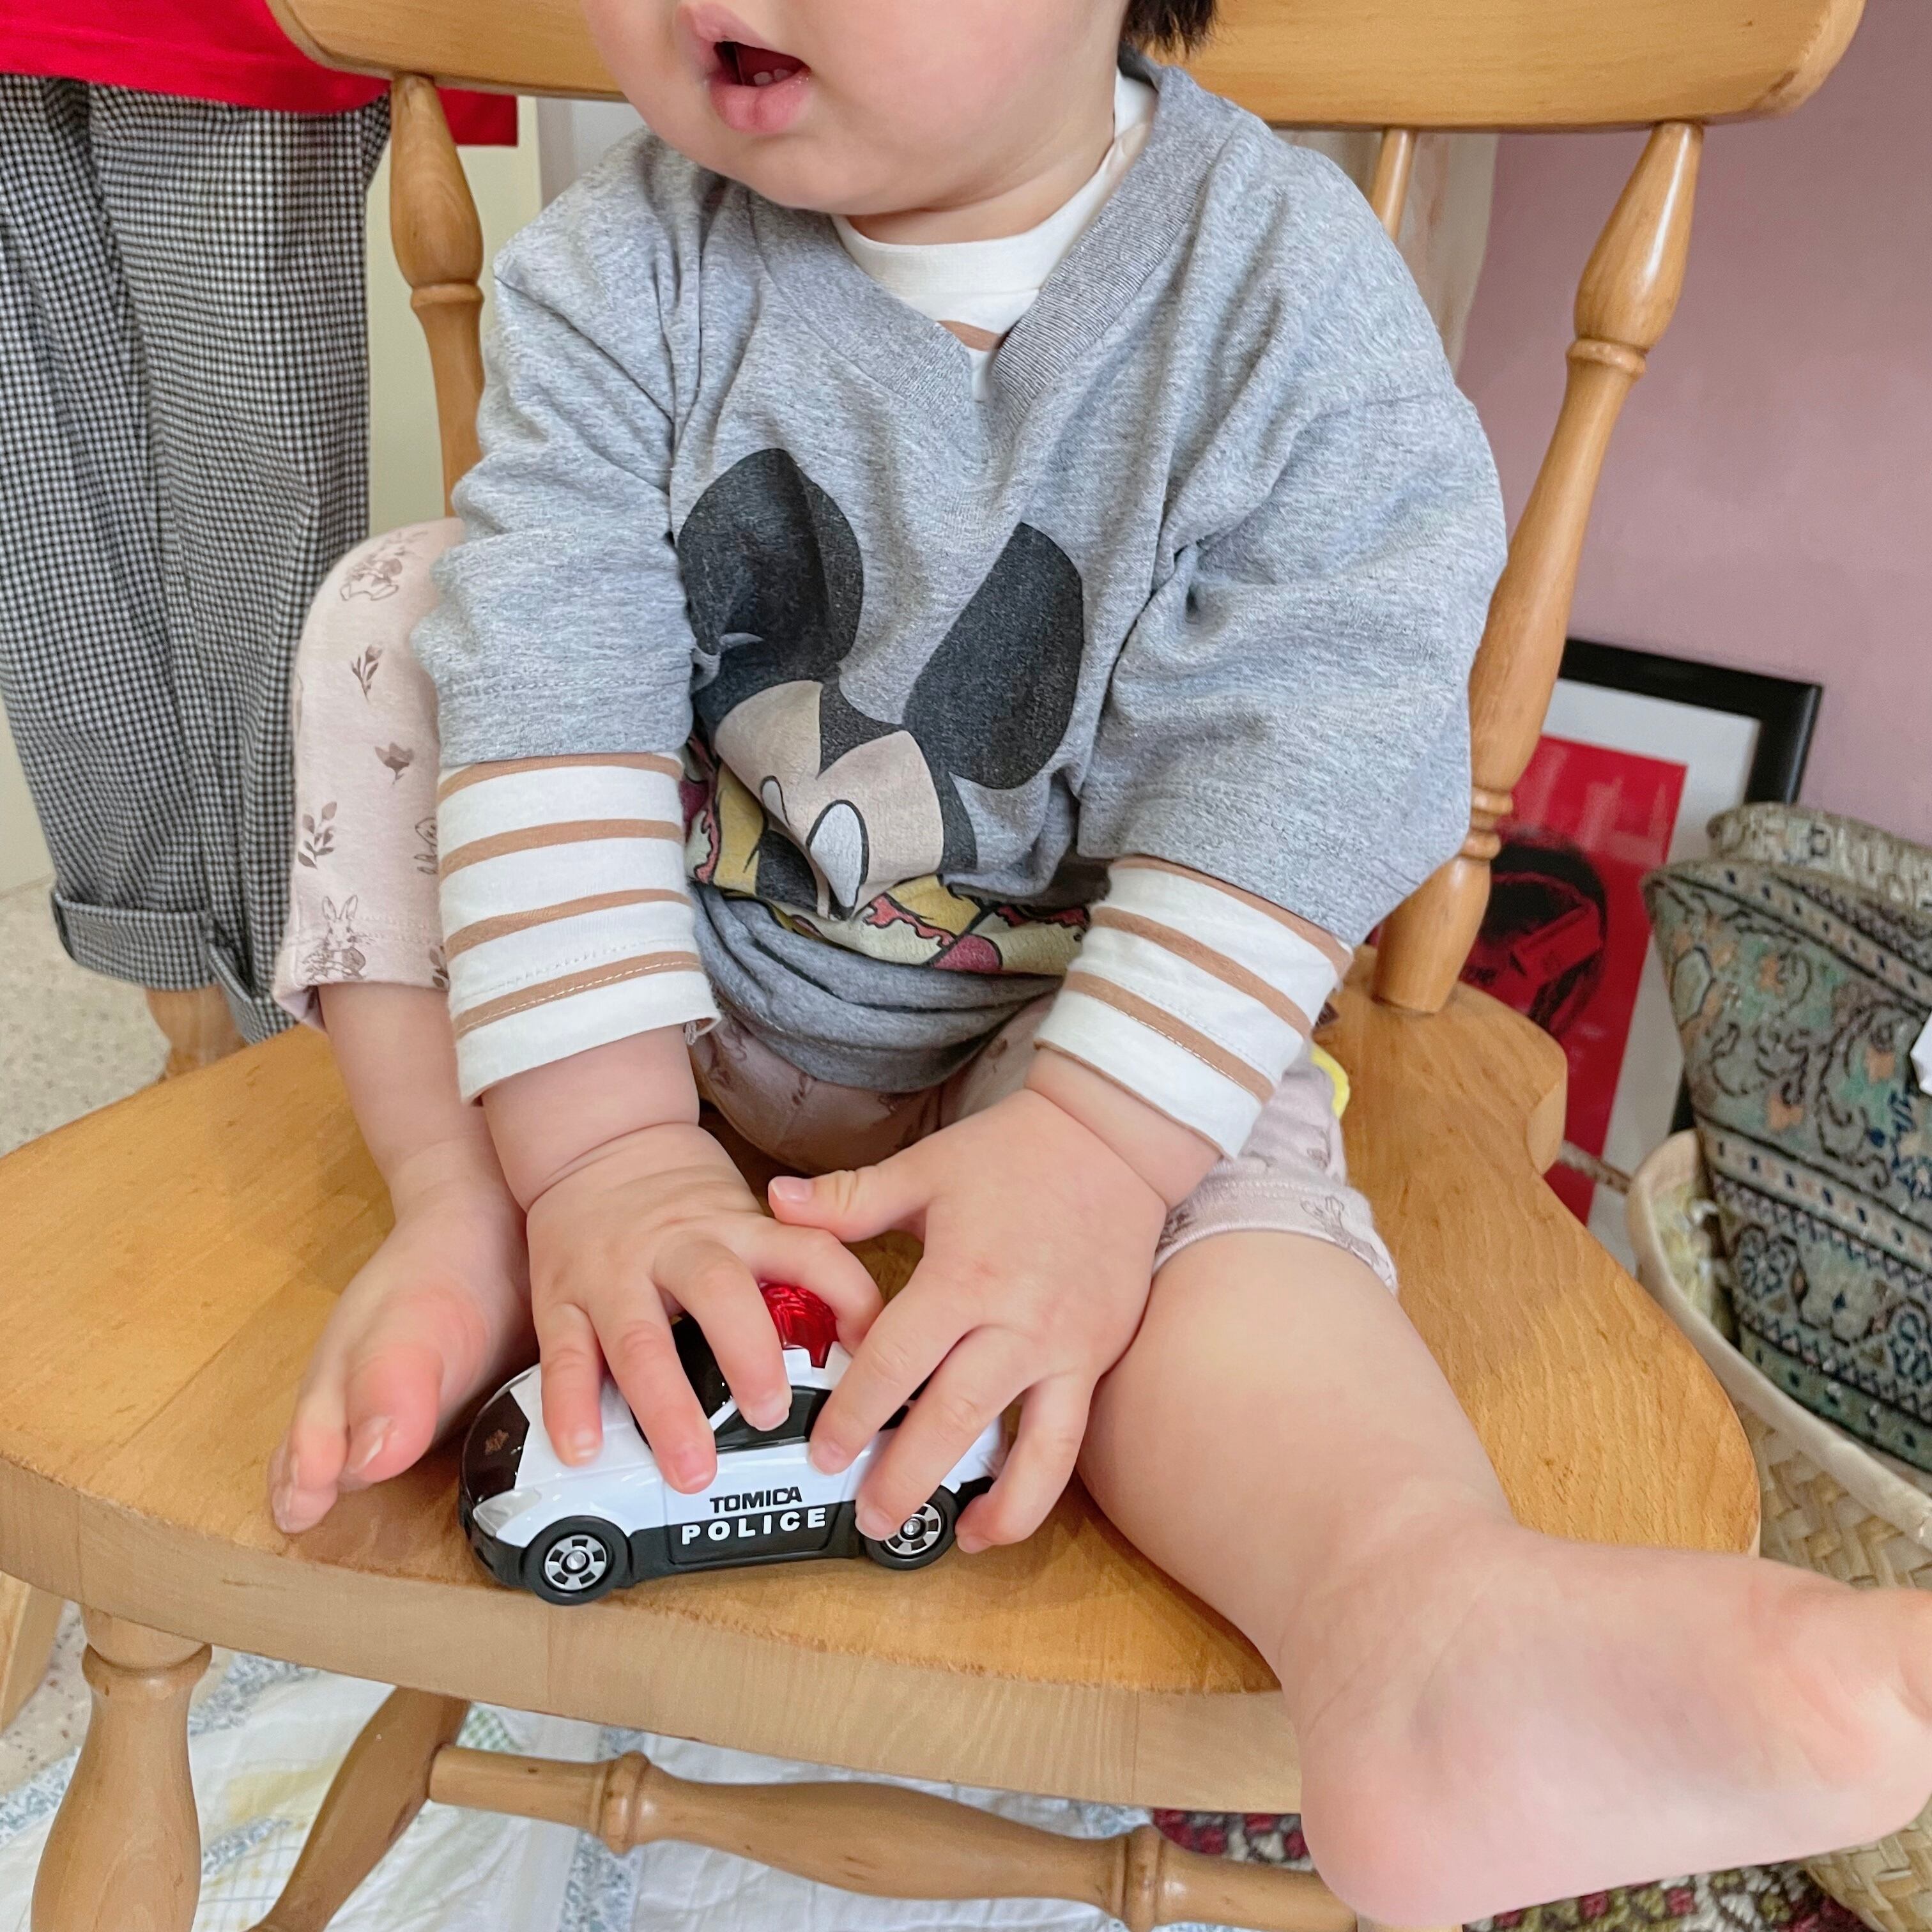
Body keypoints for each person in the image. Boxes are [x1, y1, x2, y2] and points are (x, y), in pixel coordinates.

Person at [264, 1, 1932, 1920]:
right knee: (406, 614)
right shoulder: (614, 266)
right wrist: (605, 1160)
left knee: (1225, 1226)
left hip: (1074, 1025)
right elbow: (554, 691)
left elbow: (1310, 762)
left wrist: (1095, 1158)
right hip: (661, 980)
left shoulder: (1288, 303)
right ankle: (471, 1201)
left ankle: (1416, 1625)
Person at [0, 1, 511, 1056]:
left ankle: (297, 1011)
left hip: (225, 22)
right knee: (45, 532)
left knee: (258, 512)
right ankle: (191, 1011)